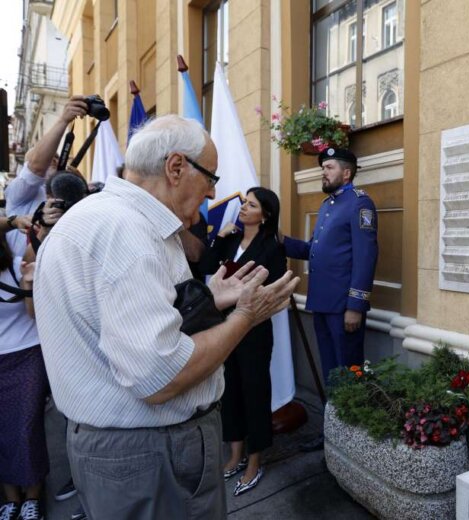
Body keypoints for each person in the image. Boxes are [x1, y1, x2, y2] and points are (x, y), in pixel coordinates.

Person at [33, 115, 300, 520]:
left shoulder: (106, 217)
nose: (213, 190)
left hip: (131, 453)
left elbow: (131, 316)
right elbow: (161, 376)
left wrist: (211, 297)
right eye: (210, 176)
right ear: (176, 167)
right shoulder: (128, 233)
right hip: (153, 456)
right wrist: (246, 315)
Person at [282, 147, 378, 450]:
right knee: (331, 372)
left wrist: (355, 305)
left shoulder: (360, 205)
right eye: (323, 167)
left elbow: (366, 257)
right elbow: (314, 250)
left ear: (346, 173)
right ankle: (334, 434)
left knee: (349, 372)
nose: (324, 171)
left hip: (342, 308)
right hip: (322, 303)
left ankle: (353, 439)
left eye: (329, 167)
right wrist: (279, 240)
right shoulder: (327, 206)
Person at [200, 187, 286, 497]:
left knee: (254, 391)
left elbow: (275, 288)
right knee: (229, 390)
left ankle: (254, 460)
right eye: (244, 203)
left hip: (254, 329)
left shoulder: (272, 247)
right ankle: (234, 454)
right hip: (224, 325)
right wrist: (219, 238)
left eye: (251, 205)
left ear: (265, 215)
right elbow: (207, 265)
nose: (243, 208)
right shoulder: (232, 240)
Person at [4, 95, 88, 257]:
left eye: (56, 159)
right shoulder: (18, 191)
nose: (53, 161)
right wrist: (64, 120)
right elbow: (37, 167)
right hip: (24, 275)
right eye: (48, 159)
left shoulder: (66, 191)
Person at [0, 235, 46, 520]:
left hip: (27, 354)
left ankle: (33, 498)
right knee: (3, 434)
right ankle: (11, 500)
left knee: (26, 430)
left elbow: (34, 316)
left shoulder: (18, 267)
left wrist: (29, 285)